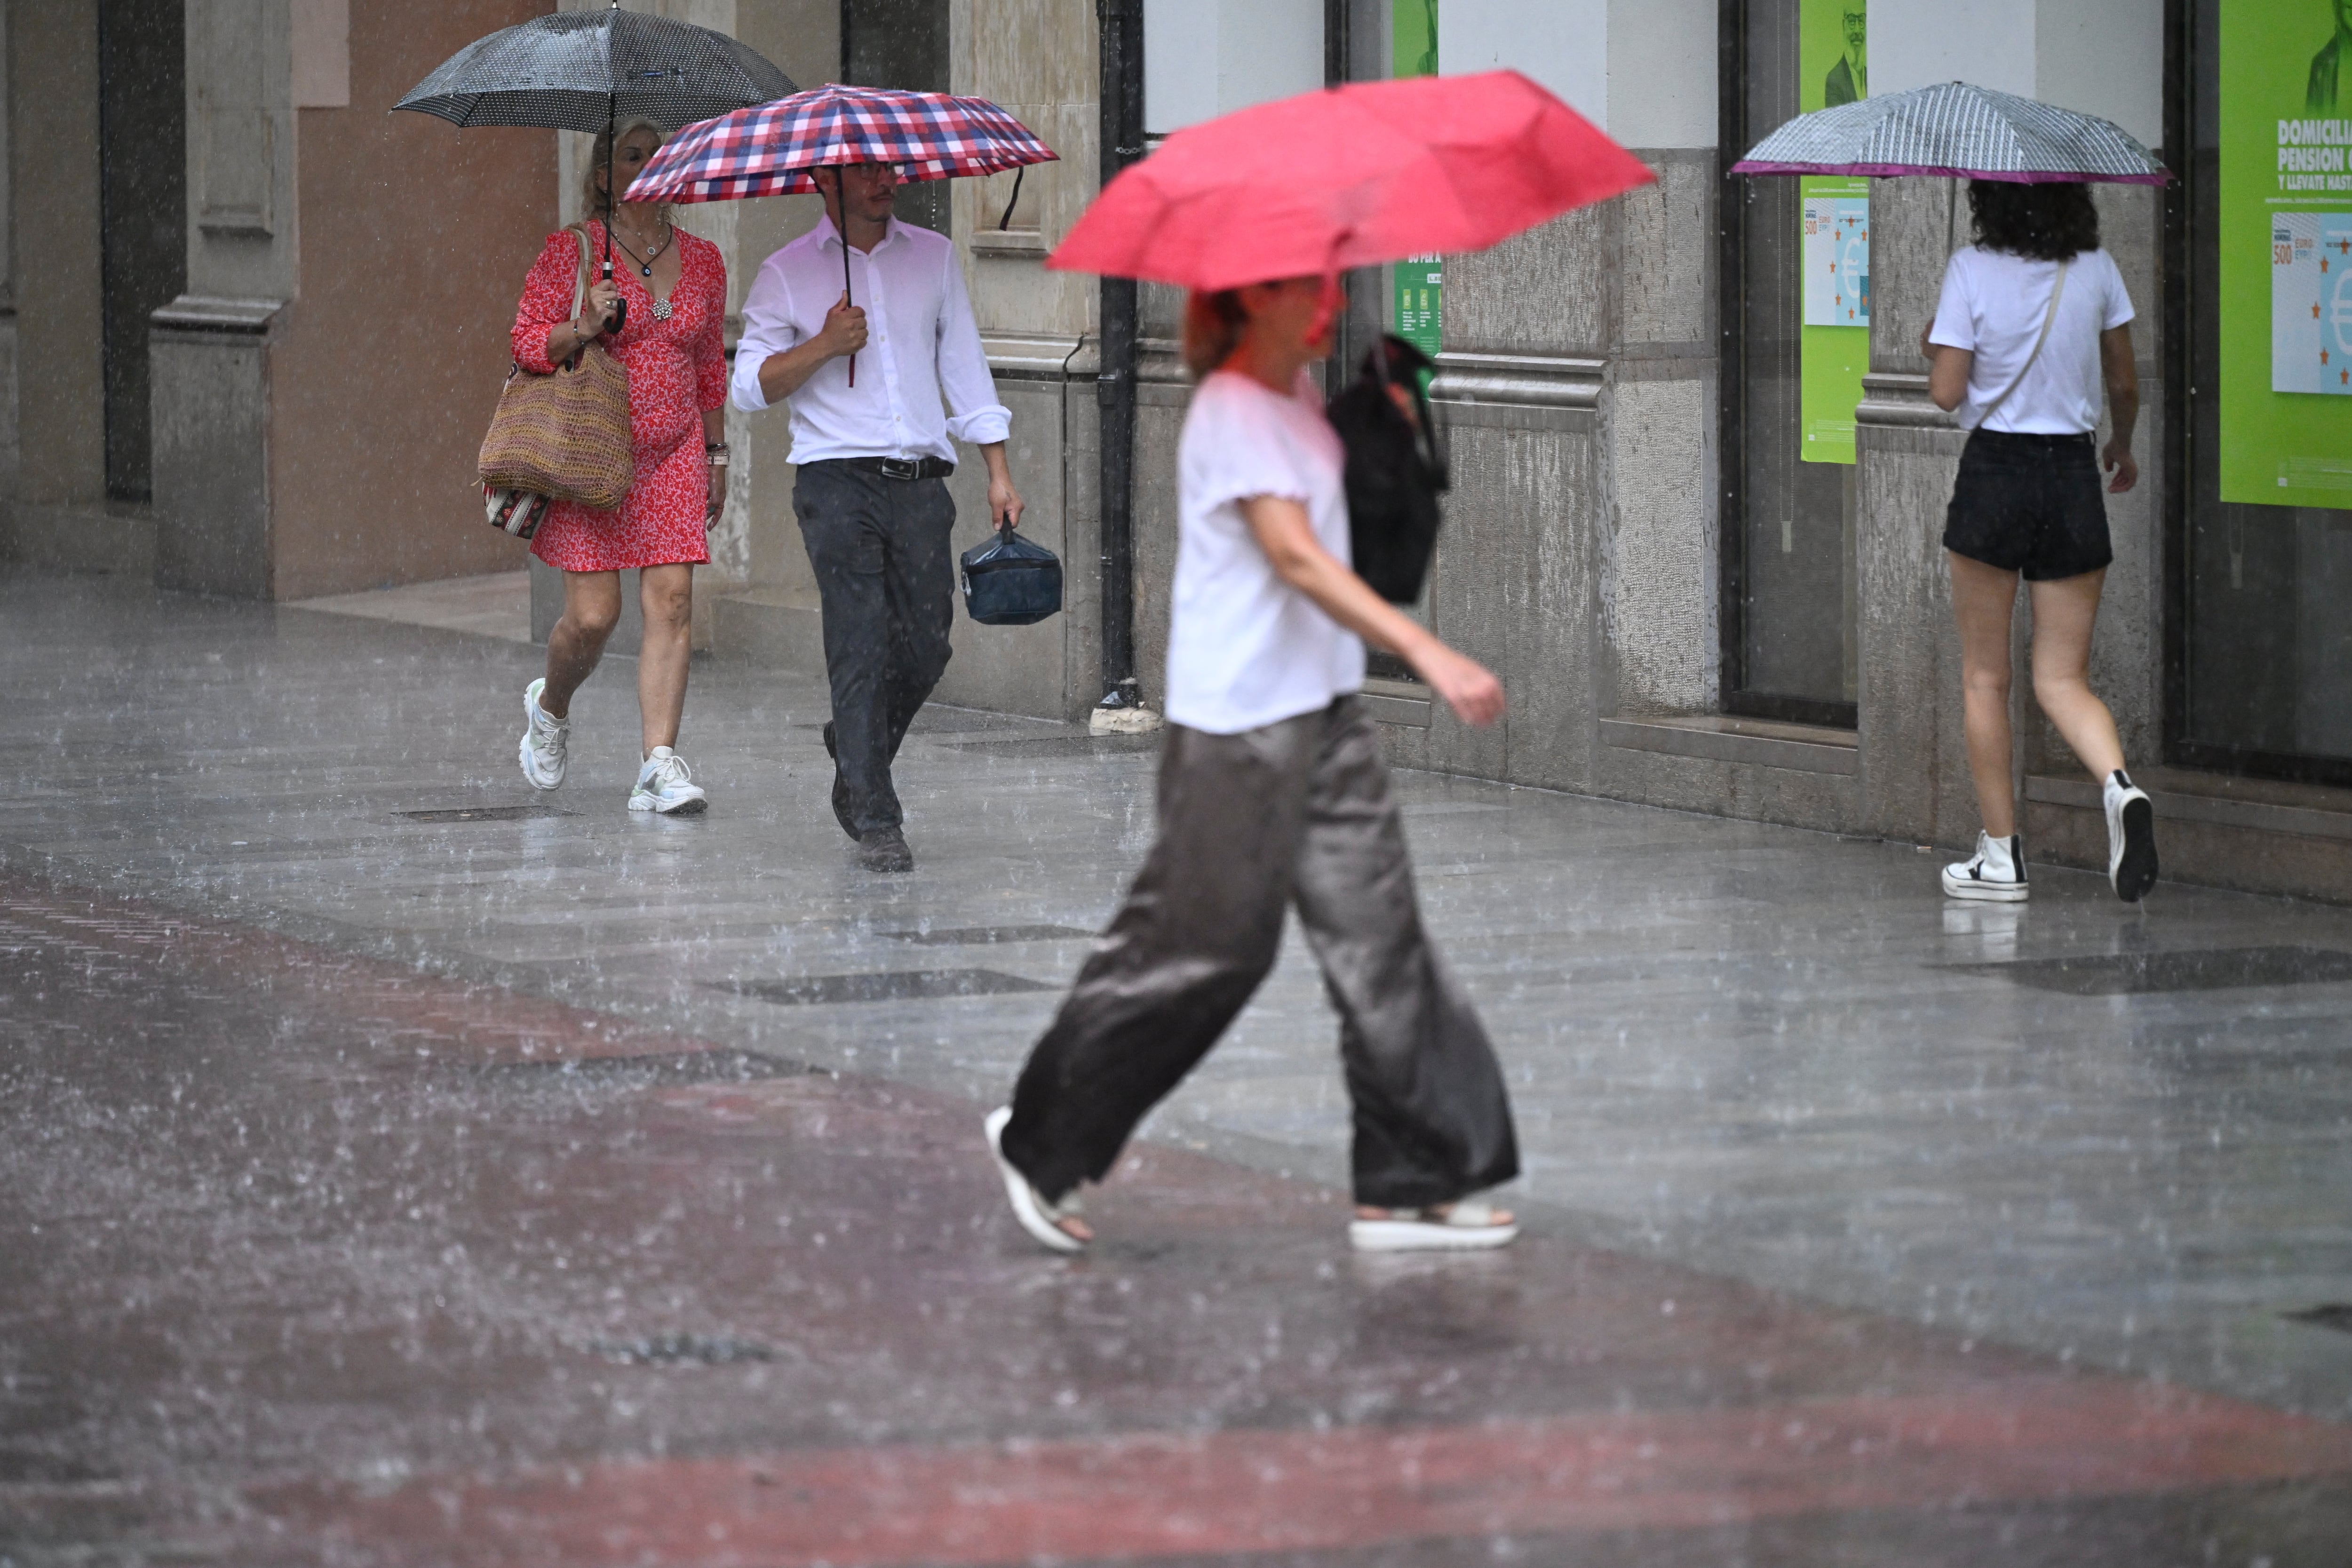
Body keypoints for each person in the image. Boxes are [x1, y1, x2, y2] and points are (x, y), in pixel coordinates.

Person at [985, 276, 1521, 1255]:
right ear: (1237, 302)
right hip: (1237, 731)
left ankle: (1415, 1178)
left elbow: (1342, 537)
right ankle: (1042, 1138)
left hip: (1324, 715)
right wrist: (1430, 652)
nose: (1317, 300)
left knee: (1382, 936)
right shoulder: (1232, 405)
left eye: (1321, 280)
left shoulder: (1299, 398)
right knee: (1204, 951)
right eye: (1287, 286)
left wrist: (1389, 435)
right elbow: (1300, 560)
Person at [730, 162, 1023, 873]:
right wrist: (823, 345)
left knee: (927, 643)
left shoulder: (935, 255)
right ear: (823, 184)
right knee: (859, 641)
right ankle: (876, 815)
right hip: (836, 482)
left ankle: (856, 747)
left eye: (888, 167)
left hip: (922, 481)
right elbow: (747, 387)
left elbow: (964, 365)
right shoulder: (786, 272)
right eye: (864, 172)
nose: (883, 181)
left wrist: (999, 470)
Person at [1922, 179, 2157, 904]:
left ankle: (2002, 857)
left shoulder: (1971, 268)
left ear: (1989, 201)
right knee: (2063, 679)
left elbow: (1946, 391)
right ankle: (2119, 787)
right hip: (2070, 473)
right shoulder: (2096, 267)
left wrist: (1934, 346)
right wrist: (2122, 443)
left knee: (1986, 678)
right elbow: (2123, 378)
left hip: (1996, 472)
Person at [512, 118, 728, 816]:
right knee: (594, 618)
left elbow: (707, 368)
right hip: (594, 454)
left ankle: (658, 765)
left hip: (675, 453)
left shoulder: (703, 259)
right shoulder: (574, 251)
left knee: (672, 601)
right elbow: (525, 344)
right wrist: (585, 322)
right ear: (606, 176)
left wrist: (716, 452)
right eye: (634, 155)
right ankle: (551, 706)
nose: (651, 164)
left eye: (660, 153)